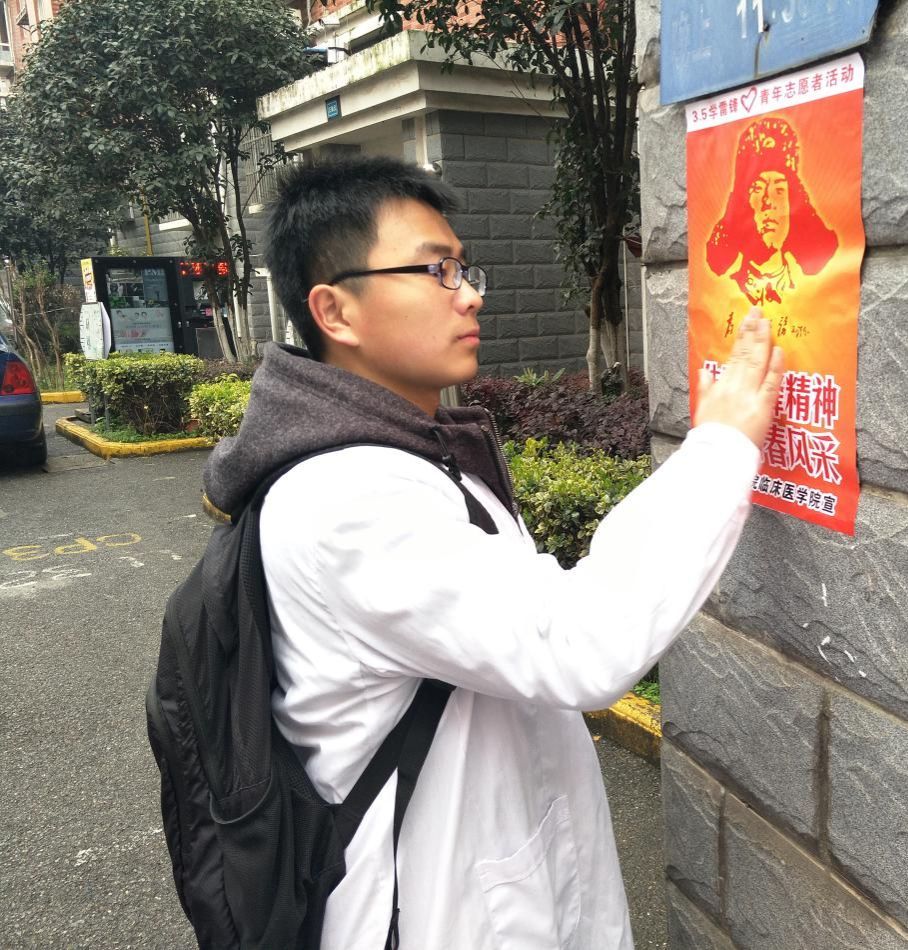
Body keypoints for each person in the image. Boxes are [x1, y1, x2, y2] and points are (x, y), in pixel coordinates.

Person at [200, 155, 784, 950]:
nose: (470, 293)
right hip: (432, 914)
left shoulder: (414, 453)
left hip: (503, 880)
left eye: (463, 267)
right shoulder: (345, 501)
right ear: (335, 311)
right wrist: (721, 447)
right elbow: (576, 640)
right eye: (436, 270)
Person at [706, 116, 840, 307]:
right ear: (742, 204)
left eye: (779, 190)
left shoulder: (813, 292)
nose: (768, 202)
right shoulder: (721, 291)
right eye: (758, 189)